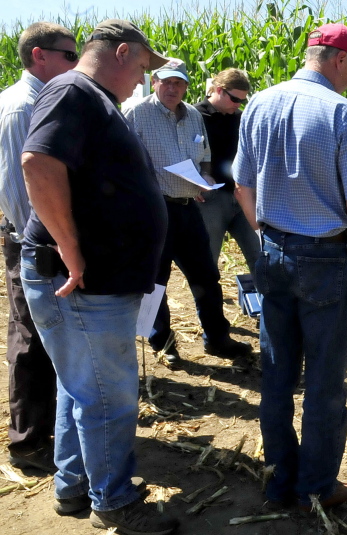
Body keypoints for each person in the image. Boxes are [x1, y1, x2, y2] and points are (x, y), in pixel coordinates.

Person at [19, 19, 178, 534]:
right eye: (143, 68)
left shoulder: (88, 97)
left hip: (92, 282)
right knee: (109, 396)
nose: (142, 80)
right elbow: (38, 162)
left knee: (81, 386)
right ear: (122, 52)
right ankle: (115, 502)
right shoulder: (73, 92)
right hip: (86, 284)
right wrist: (71, 250)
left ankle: (73, 486)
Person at [233, 22, 347, 511]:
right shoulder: (345, 115)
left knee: (275, 372)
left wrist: (268, 233)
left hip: (270, 250)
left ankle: (278, 481)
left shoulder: (258, 102)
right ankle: (315, 487)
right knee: (323, 381)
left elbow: (242, 187)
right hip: (324, 258)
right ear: (340, 60)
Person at [123, 58, 251, 366]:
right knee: (156, 281)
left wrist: (205, 176)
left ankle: (217, 339)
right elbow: (123, 162)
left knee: (206, 275)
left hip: (187, 207)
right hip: (155, 209)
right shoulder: (136, 114)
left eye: (178, 83)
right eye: (166, 82)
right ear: (154, 82)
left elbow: (204, 154)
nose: (172, 88)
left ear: (186, 86)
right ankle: (163, 343)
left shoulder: (193, 115)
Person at [0, 21, 78, 475]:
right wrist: (44, 241)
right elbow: (16, 190)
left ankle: (43, 427)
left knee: (43, 335)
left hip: (42, 239)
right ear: (39, 56)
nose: (75, 64)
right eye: (69, 56)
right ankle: (28, 441)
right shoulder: (22, 106)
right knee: (30, 338)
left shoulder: (40, 100)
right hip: (31, 242)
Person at [194, 69, 259, 273]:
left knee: (260, 257)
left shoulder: (241, 118)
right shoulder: (195, 116)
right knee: (207, 262)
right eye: (234, 99)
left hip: (242, 196)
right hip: (211, 199)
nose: (238, 104)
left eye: (242, 100)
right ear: (219, 90)